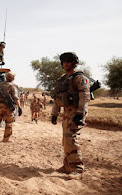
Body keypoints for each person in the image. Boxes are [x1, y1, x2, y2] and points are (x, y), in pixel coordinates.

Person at [51, 52, 90, 180]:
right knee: (65, 139)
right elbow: (58, 97)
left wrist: (80, 114)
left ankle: (77, 168)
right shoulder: (63, 79)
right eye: (64, 61)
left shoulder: (80, 77)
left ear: (74, 63)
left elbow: (84, 97)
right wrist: (54, 114)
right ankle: (68, 165)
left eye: (68, 61)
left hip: (76, 112)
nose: (65, 64)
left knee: (70, 137)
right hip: (67, 113)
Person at [0, 71, 21, 142]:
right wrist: (19, 107)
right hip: (8, 108)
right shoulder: (12, 86)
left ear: (6, 77)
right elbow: (15, 98)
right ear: (13, 78)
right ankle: (5, 139)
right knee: (8, 124)